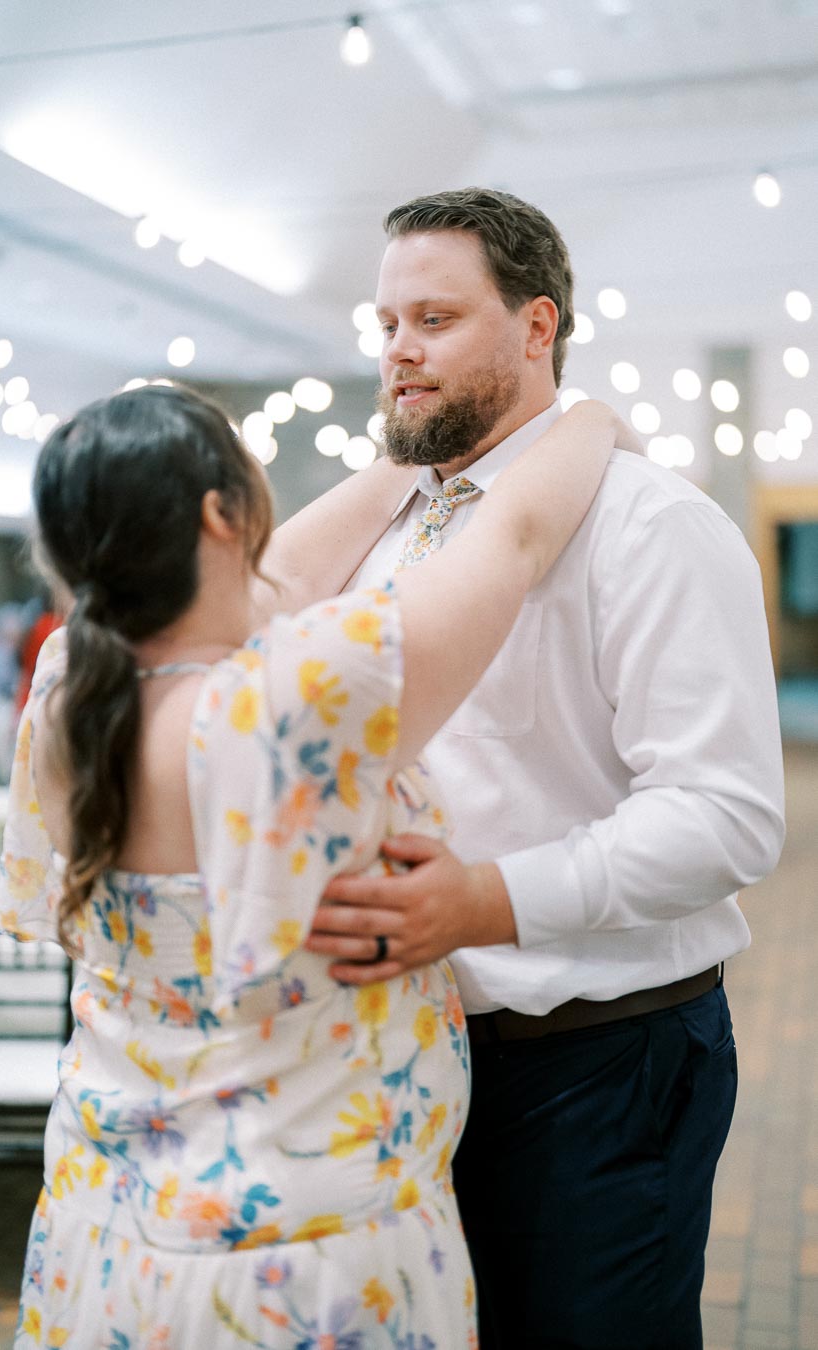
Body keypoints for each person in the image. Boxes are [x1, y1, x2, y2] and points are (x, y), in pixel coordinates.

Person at [0, 381, 631, 1347]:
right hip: (295, 1261)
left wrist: (415, 452)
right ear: (221, 513)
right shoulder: (291, 699)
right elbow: (514, 543)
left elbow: (263, 585)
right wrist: (585, 412)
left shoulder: (70, 691)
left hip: (109, 1229)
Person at [304, 188, 787, 1350]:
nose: (399, 353)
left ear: (537, 327)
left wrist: (480, 899)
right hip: (410, 1059)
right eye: (385, 326)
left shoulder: (652, 525)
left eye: (433, 318)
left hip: (597, 1061)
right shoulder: (392, 526)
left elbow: (727, 818)